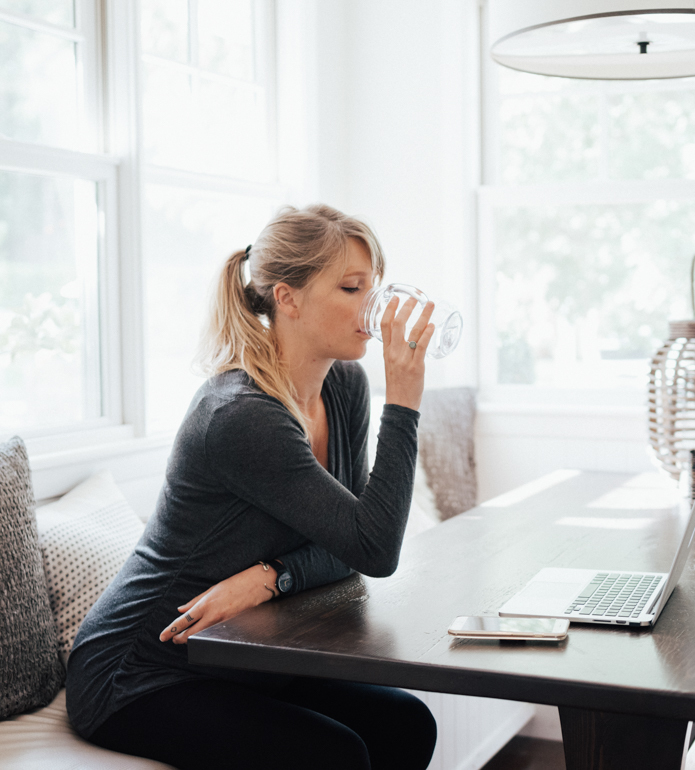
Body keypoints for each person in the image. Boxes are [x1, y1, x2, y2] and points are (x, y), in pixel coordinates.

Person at [66, 204, 438, 769]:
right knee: (335, 756)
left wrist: (272, 578)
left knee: (407, 724)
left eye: (374, 287)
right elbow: (375, 547)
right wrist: (406, 400)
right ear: (287, 298)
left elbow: (356, 546)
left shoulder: (344, 386)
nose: (375, 308)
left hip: (245, 652)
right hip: (141, 671)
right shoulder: (242, 416)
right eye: (352, 288)